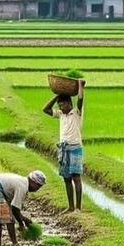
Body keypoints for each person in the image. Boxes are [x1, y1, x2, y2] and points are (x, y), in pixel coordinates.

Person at [43, 80, 85, 212]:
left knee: (76, 177)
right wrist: (57, 95)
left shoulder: (76, 113)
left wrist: (80, 86)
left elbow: (80, 99)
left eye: (63, 104)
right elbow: (45, 109)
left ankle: (78, 207)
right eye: (60, 105)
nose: (61, 107)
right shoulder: (60, 115)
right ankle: (70, 206)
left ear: (69, 104)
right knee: (66, 178)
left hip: (75, 148)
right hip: (63, 148)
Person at [0, 170, 46, 246]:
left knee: (0, 219)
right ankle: (14, 243)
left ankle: (0, 245)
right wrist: (23, 222)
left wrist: (23, 220)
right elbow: (15, 208)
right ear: (34, 182)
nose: (38, 189)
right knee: (7, 219)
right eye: (39, 186)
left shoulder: (22, 181)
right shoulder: (22, 187)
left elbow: (13, 208)